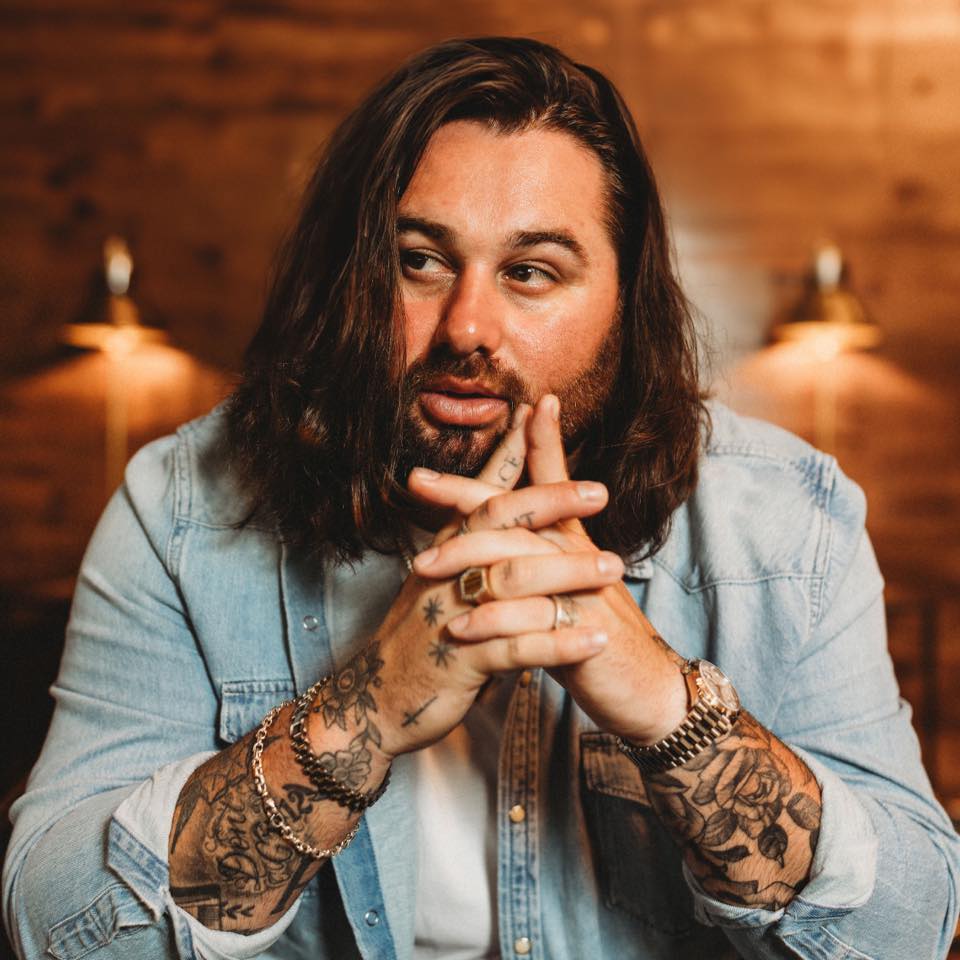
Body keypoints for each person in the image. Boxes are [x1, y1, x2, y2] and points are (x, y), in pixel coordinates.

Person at [3, 35, 958, 960]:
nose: (467, 326)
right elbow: (59, 931)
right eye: (419, 260)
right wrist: (365, 711)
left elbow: (907, 932)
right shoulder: (181, 508)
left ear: (625, 300)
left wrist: (668, 707)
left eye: (531, 272)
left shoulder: (788, 521)